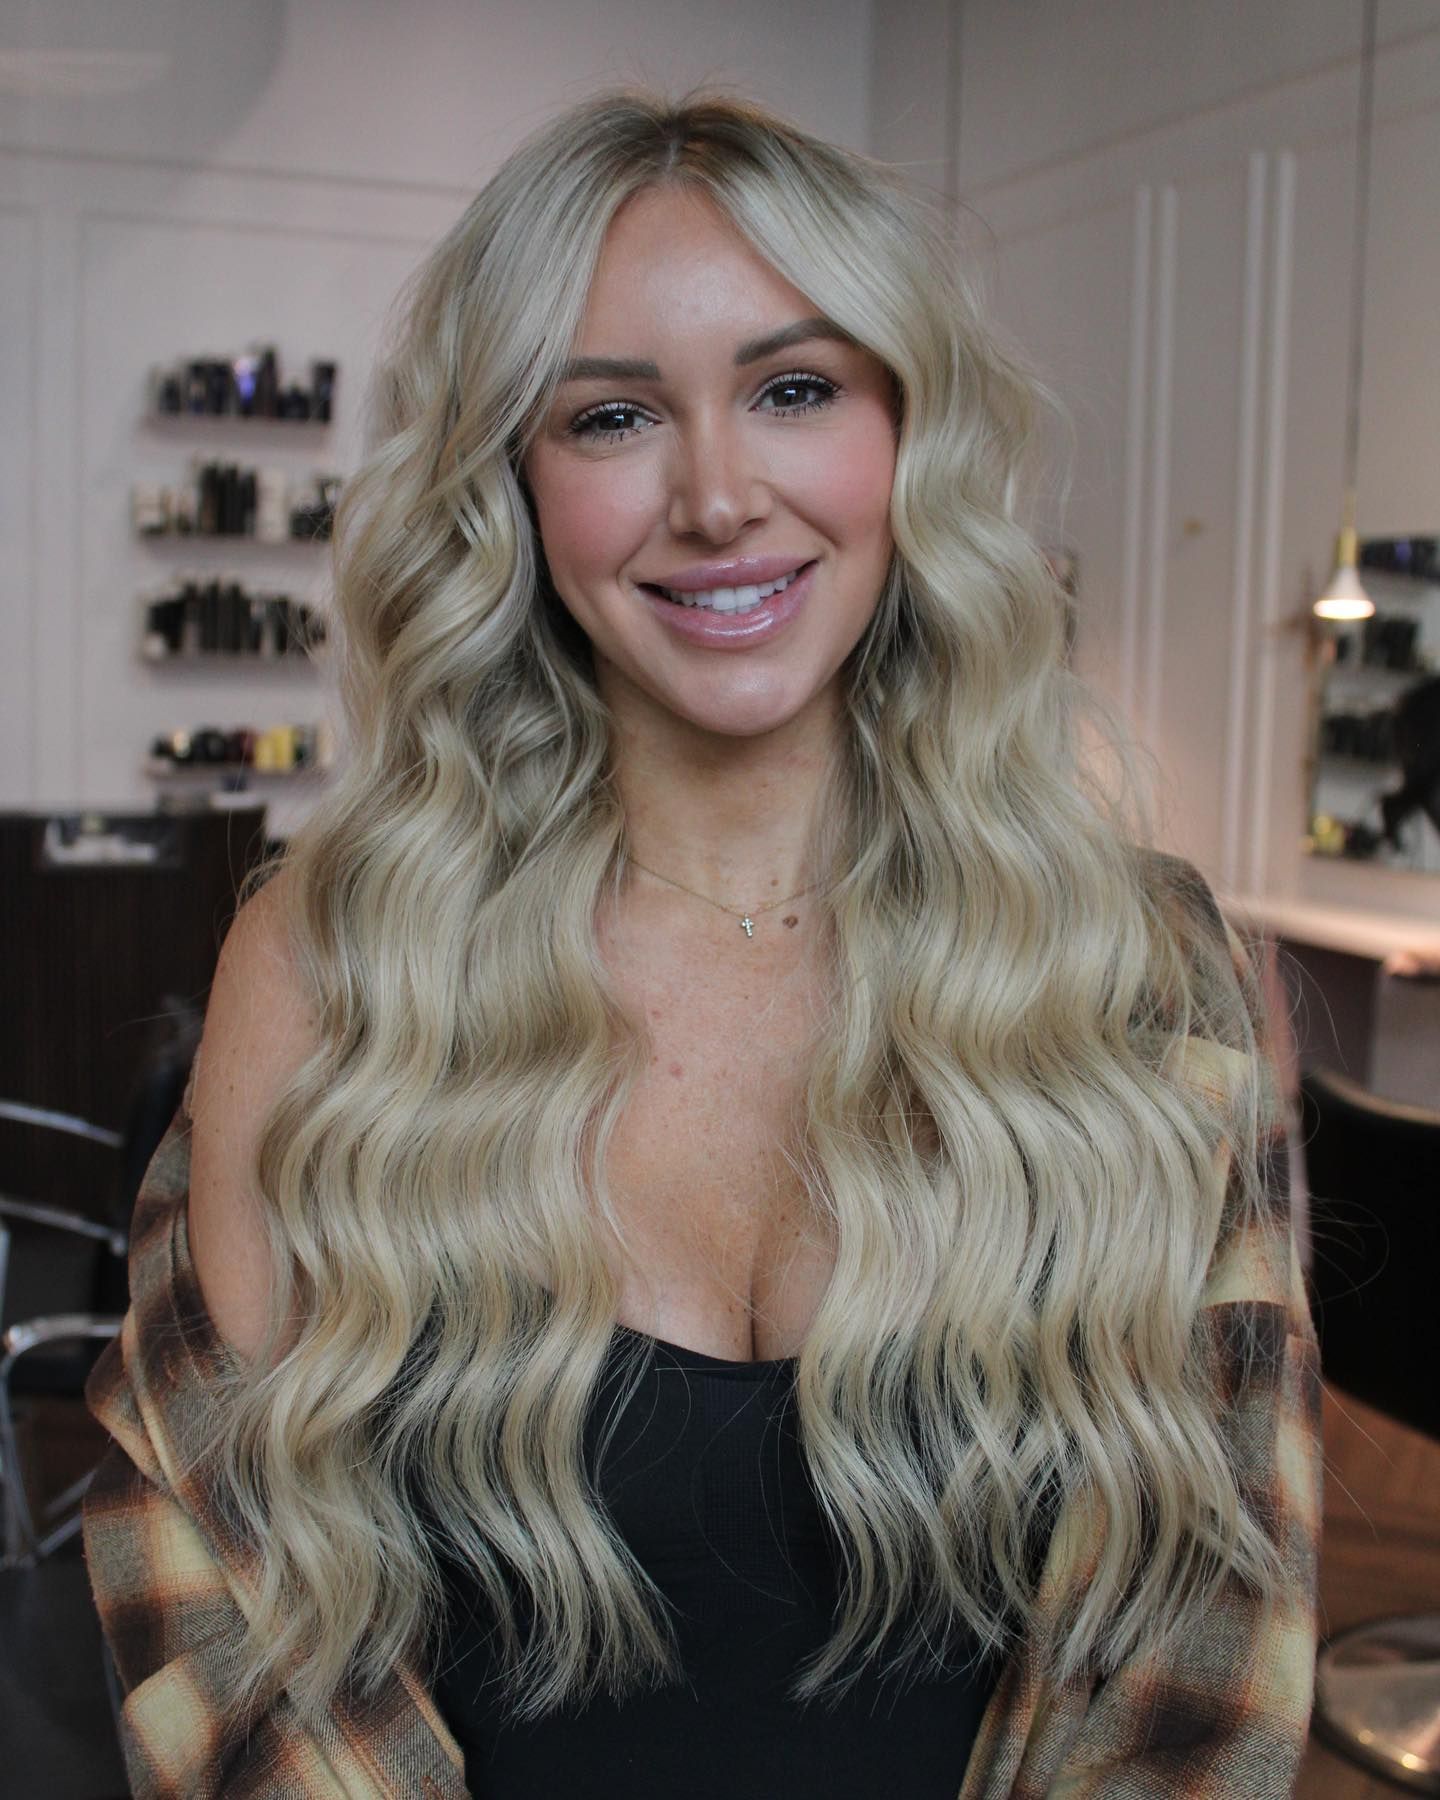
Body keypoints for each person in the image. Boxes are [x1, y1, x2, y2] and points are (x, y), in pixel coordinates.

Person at [82, 88, 1322, 1798]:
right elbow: (232, 1616)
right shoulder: (332, 965)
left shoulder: (1143, 971)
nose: (721, 497)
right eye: (611, 418)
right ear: (511, 481)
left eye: (795, 389)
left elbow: (1206, 1658)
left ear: (908, 435)